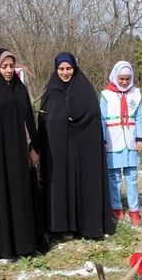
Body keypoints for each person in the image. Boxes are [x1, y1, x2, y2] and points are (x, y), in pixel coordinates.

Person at [0, 48, 45, 260]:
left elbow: (28, 123)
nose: (9, 70)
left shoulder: (19, 90)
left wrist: (33, 149)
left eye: (12, 66)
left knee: (22, 198)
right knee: (2, 199)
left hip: (21, 158)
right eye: (4, 67)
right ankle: (4, 247)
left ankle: (25, 244)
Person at [38, 52, 115, 239]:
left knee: (81, 183)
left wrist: (76, 119)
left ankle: (83, 225)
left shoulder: (84, 89)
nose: (65, 73)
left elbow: (93, 115)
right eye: (61, 69)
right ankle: (60, 226)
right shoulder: (50, 92)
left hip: (80, 149)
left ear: (75, 68)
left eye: (69, 68)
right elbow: (43, 119)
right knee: (59, 184)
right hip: (57, 151)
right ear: (56, 70)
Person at [100, 61, 142, 226]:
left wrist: (140, 138)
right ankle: (116, 207)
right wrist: (103, 139)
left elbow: (139, 117)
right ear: (115, 77)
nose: (124, 82)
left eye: (127, 79)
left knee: (132, 176)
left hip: (130, 140)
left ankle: (134, 211)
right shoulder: (106, 94)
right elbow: (102, 119)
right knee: (114, 177)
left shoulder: (136, 94)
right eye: (121, 79)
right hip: (112, 140)